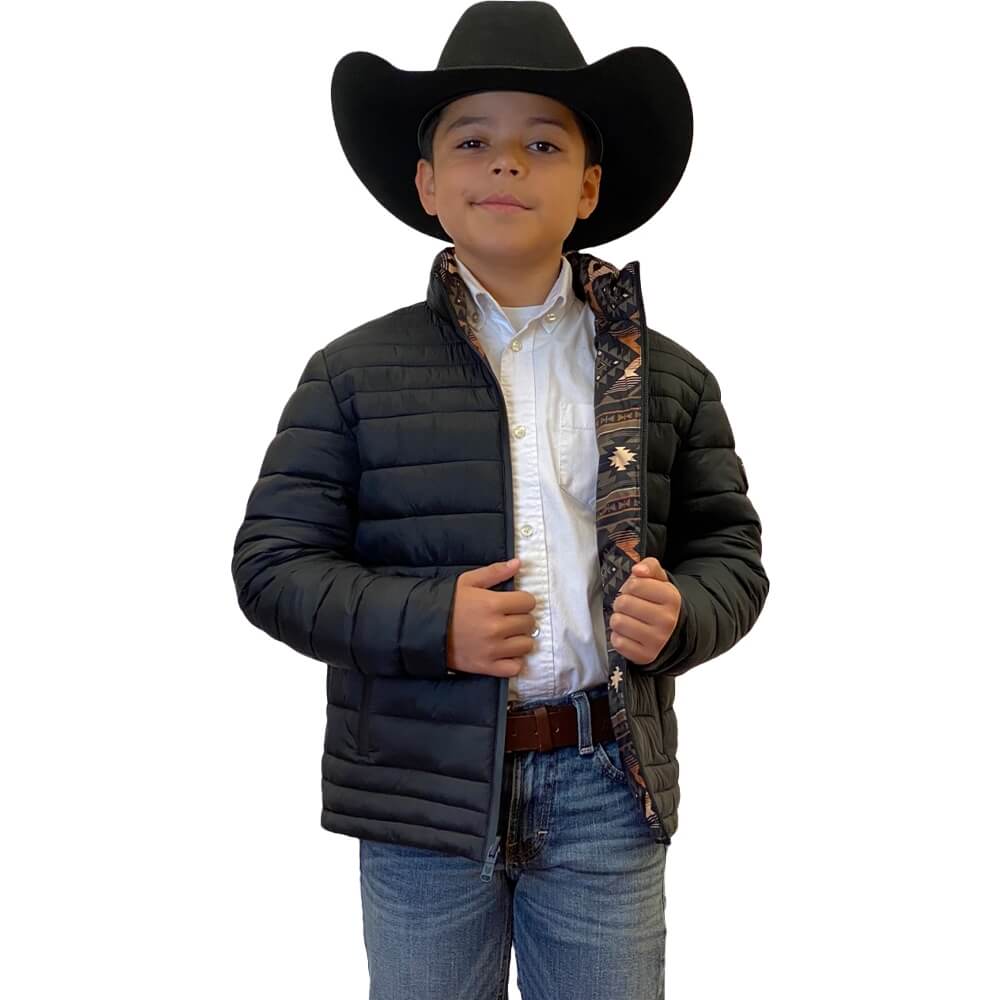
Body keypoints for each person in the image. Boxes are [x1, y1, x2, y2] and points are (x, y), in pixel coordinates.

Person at [231, 2, 769, 997]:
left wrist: (684, 612)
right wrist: (435, 622)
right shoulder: (352, 372)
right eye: (471, 140)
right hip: (422, 797)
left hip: (608, 784)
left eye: (541, 141)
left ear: (590, 184)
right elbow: (272, 567)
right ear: (428, 184)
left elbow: (732, 553)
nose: (506, 163)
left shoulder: (670, 378)